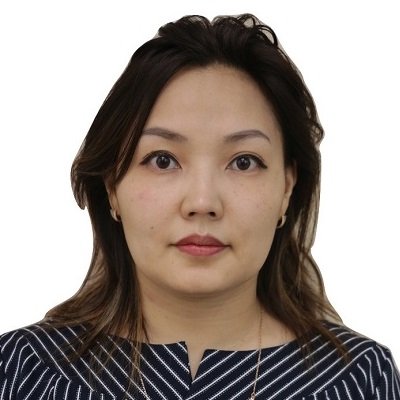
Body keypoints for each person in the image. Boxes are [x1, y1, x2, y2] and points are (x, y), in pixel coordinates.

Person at [0, 13, 399, 400]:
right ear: (112, 188)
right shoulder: (23, 370)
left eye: (244, 162)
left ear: (287, 188)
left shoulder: (361, 379)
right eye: (162, 160)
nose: (203, 203)